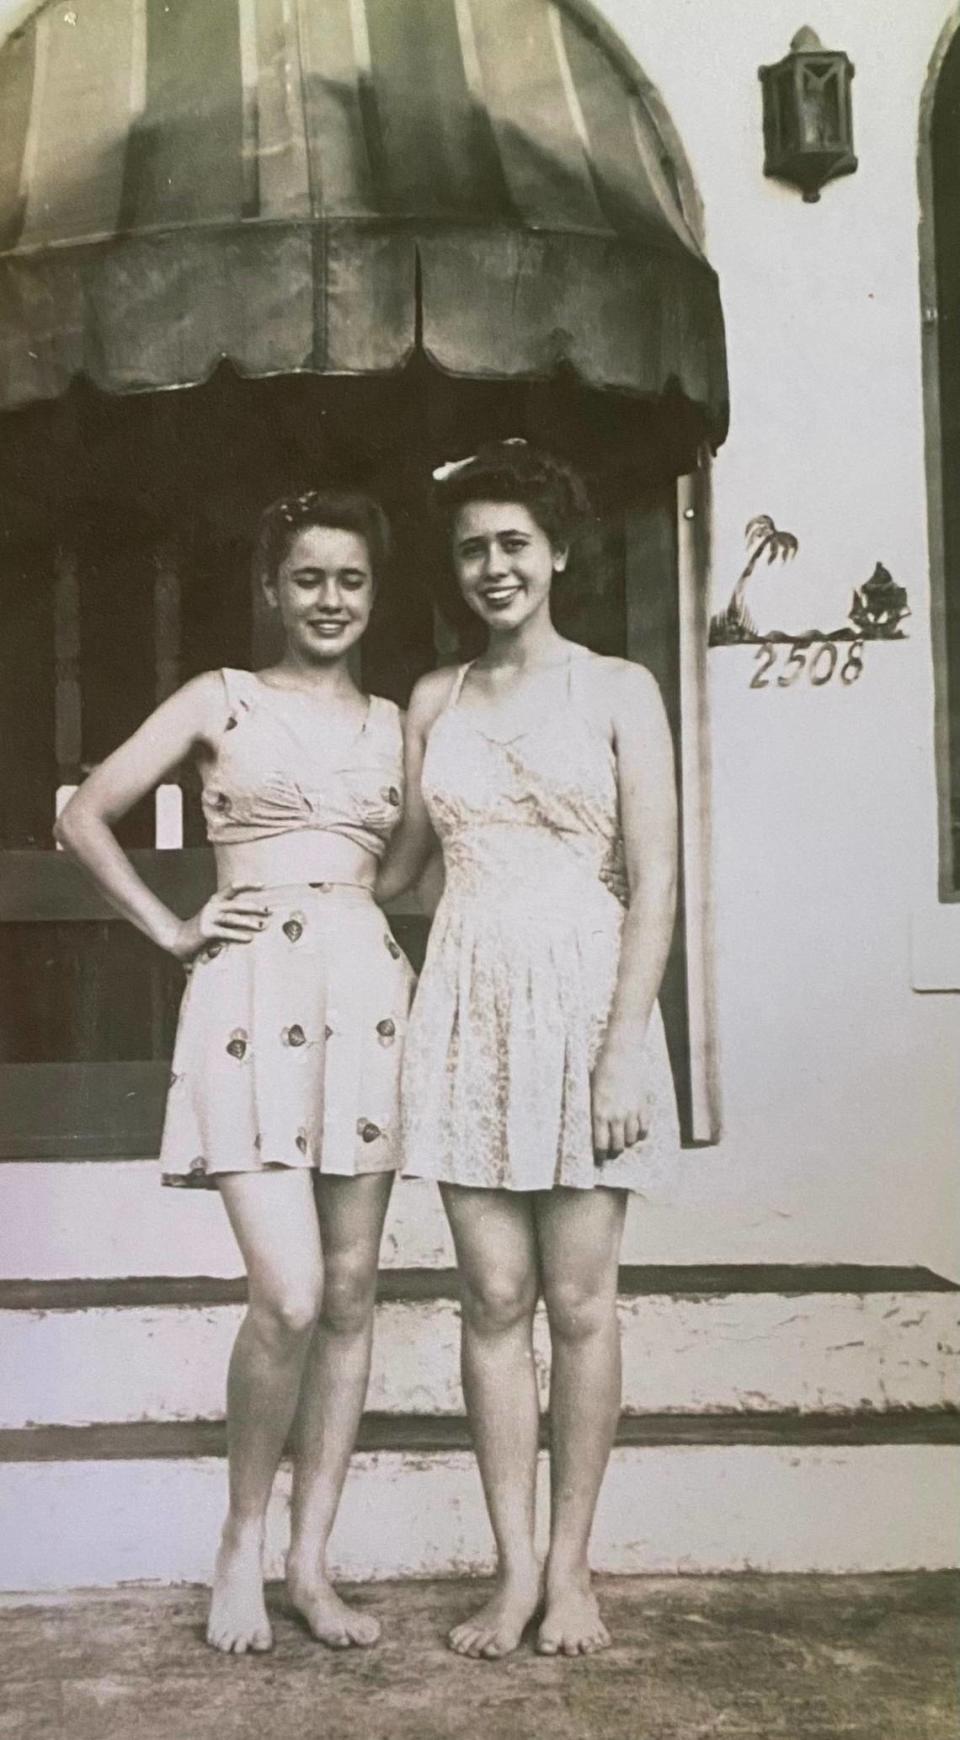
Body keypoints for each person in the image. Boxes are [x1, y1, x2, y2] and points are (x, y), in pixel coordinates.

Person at [56, 490, 414, 1655]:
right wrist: (170, 931)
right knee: (293, 1295)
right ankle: (241, 1545)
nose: (329, 600)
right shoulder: (223, 696)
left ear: (374, 593)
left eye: (350, 581)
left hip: (364, 1006)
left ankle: (312, 1565)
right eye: (307, 578)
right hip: (251, 1005)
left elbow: (403, 867)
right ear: (271, 588)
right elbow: (86, 814)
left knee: (353, 1299)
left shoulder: (400, 722)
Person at [376, 441, 680, 1660]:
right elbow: (397, 866)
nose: (493, 565)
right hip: (466, 997)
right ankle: (510, 1575)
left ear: (557, 551)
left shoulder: (620, 689)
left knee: (580, 1301)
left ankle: (573, 1574)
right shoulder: (433, 700)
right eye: (471, 549)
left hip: (585, 995)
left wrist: (621, 1049)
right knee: (491, 1299)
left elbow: (655, 884)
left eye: (514, 543)